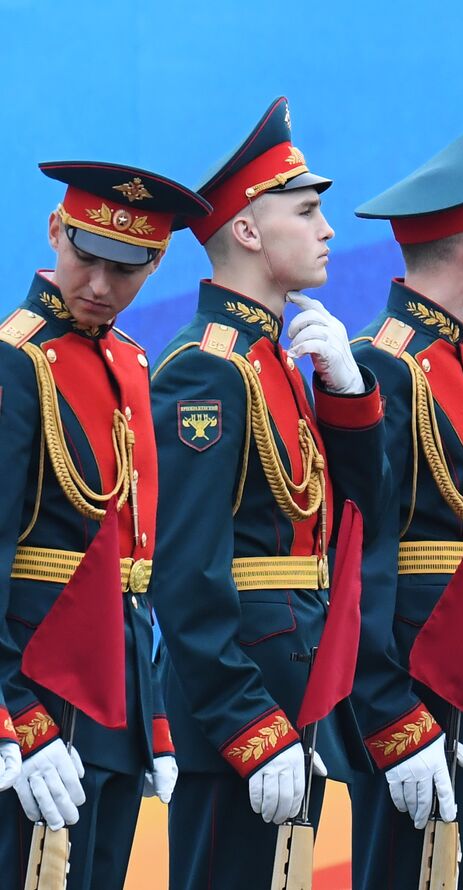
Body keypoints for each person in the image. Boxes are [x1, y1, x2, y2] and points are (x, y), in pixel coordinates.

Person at [146, 97, 388, 889]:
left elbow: (353, 525)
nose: (327, 231)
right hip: (244, 707)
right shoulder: (206, 369)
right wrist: (248, 722)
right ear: (247, 231)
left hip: (299, 688)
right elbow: (186, 574)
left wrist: (349, 405)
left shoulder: (276, 362)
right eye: (308, 211)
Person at [0, 160, 208, 890]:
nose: (98, 285)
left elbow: (133, 567)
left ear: (156, 263)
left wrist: (151, 721)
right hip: (35, 687)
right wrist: (13, 716)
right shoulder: (16, 359)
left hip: (113, 705)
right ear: (55, 229)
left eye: (125, 269)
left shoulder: (133, 362)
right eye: (84, 254)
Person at [347, 120, 463, 890]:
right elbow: (358, 561)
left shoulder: (460, 359)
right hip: (424, 696)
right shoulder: (382, 368)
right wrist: (395, 720)